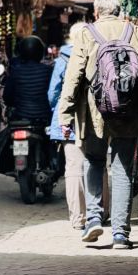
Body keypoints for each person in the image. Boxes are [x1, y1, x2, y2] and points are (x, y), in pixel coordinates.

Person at [58, 0, 138, 250]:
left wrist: (65, 113)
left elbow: (74, 76)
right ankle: (120, 235)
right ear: (119, 12)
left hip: (94, 113)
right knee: (122, 170)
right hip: (128, 112)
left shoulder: (86, 33)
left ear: (96, 12)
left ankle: (94, 218)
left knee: (93, 161)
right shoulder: (136, 32)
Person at [48, 37, 85, 231]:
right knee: (98, 163)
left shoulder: (63, 59)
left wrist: (58, 110)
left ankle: (78, 217)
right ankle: (101, 213)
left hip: (68, 119)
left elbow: (53, 92)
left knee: (73, 167)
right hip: (93, 118)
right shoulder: (94, 51)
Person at [2, 36, 52, 126]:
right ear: (40, 52)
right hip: (43, 118)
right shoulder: (48, 70)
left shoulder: (15, 71)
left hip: (20, 118)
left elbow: (7, 97)